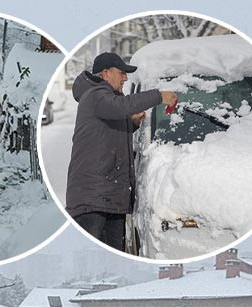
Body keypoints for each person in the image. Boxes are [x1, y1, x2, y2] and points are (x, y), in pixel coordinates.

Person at [65, 52, 178, 253]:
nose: (125, 78)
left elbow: (108, 131)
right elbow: (119, 107)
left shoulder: (103, 99)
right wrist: (158, 96)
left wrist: (131, 124)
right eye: (122, 73)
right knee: (92, 255)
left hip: (108, 197)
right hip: (92, 199)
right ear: (106, 74)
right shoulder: (95, 95)